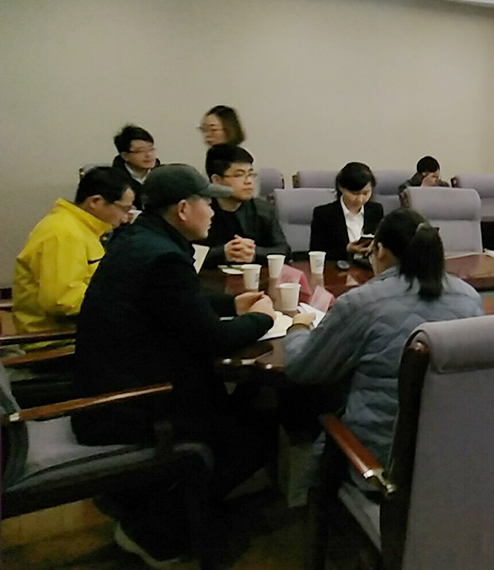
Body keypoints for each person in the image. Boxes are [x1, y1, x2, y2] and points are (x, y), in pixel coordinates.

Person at [72, 164, 277, 566]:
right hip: (131, 404)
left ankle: (160, 502)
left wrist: (231, 303)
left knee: (243, 400)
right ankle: (155, 529)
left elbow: (176, 304)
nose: (213, 212)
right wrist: (263, 319)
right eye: (207, 203)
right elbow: (211, 339)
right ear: (183, 209)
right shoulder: (164, 257)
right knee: (256, 432)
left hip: (112, 382)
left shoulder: (142, 239)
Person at [281, 209, 482, 465]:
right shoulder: (469, 297)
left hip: (375, 456)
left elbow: (302, 368)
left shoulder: (361, 303)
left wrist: (297, 328)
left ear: (380, 250)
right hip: (450, 451)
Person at [12, 167, 134, 344]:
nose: (124, 218)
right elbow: (62, 300)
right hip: (59, 341)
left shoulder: (83, 228)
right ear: (95, 201)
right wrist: (123, 303)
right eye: (124, 209)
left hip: (85, 330)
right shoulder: (63, 234)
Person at [198, 144, 290, 267]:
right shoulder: (199, 211)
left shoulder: (263, 209)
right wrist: (223, 253)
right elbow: (187, 254)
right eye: (239, 175)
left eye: (250, 174)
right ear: (216, 180)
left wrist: (254, 253)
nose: (248, 181)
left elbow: (284, 250)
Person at [309, 162, 384, 262]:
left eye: (366, 193)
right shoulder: (323, 214)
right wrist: (347, 250)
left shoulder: (376, 210)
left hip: (368, 267)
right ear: (341, 188)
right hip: (337, 268)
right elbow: (316, 254)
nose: (360, 199)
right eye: (354, 193)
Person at [111, 125, 160, 210]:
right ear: (125, 156)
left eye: (151, 149)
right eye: (141, 151)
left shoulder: (162, 175)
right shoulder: (114, 180)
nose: (148, 155)